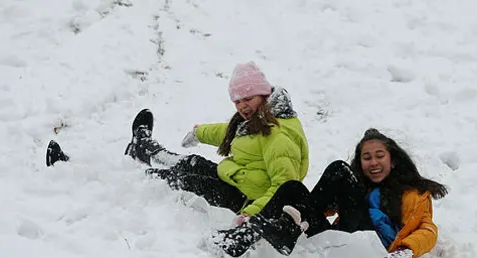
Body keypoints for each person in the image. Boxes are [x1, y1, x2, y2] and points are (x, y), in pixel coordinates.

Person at [46, 62, 310, 218]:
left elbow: (284, 189)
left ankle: (86, 170)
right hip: (237, 182)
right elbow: (231, 133)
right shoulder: (260, 121)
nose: (242, 106)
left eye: (248, 99)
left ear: (264, 96)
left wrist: (251, 215)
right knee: (192, 162)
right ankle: (146, 149)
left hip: (245, 199)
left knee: (176, 179)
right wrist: (200, 132)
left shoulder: (279, 136)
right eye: (237, 101)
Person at [209, 128, 448, 258]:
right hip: (344, 237)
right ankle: (241, 238)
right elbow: (324, 204)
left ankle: (288, 229)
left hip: (376, 246)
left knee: (338, 169)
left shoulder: (413, 193)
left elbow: (428, 230)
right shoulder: (359, 188)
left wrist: (407, 249)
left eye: (379, 156)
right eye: (366, 157)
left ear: (393, 160)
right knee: (292, 188)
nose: (373, 162)